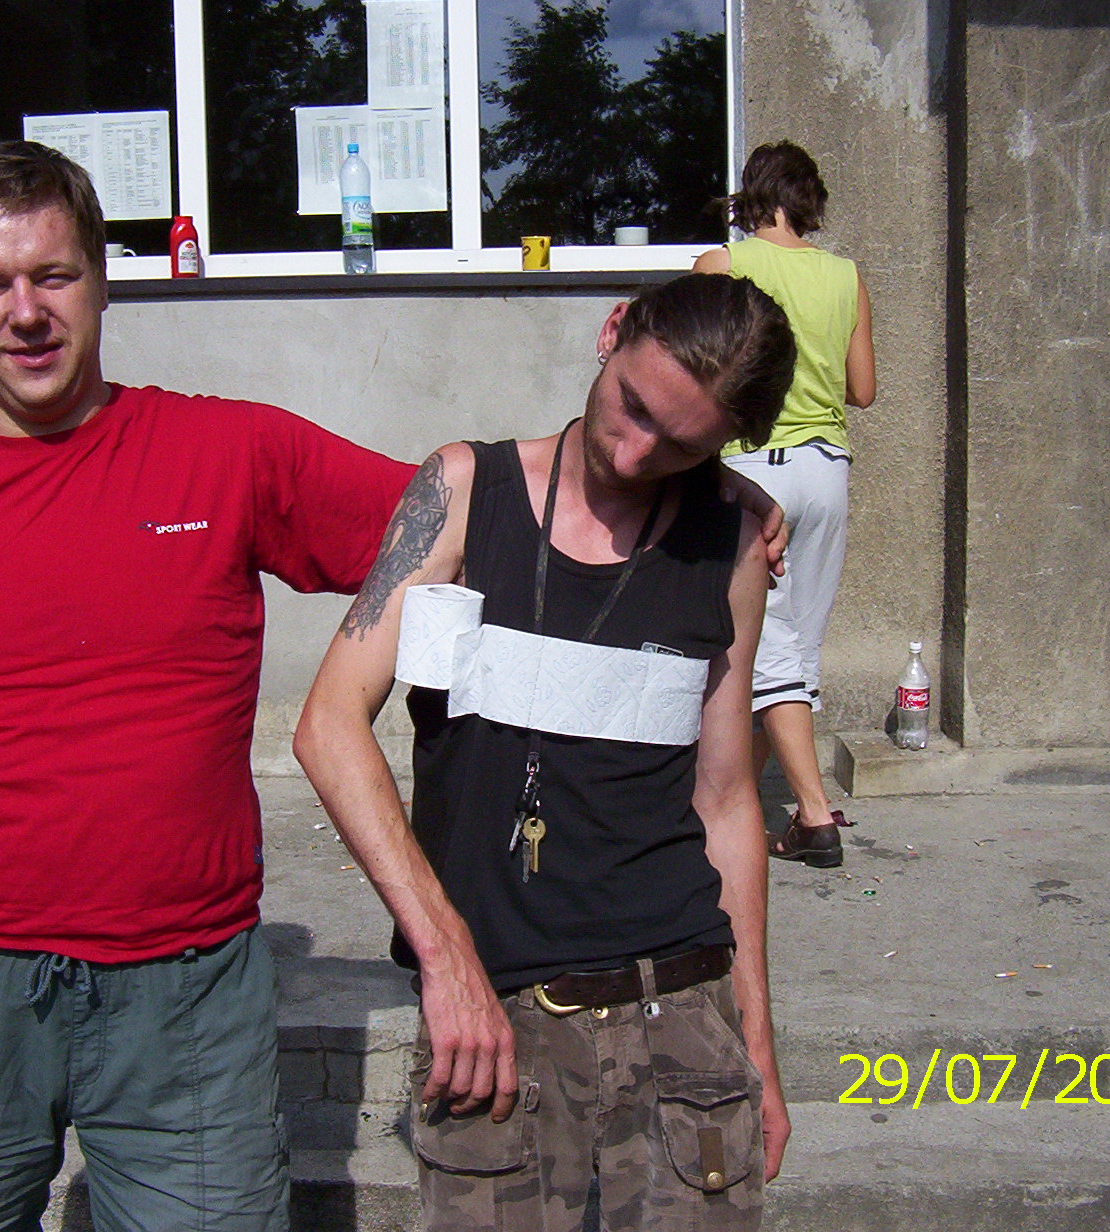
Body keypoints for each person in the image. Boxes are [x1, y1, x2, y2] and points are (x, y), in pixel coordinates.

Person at [0, 144, 788, 1231]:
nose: (27, 312)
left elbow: (492, 512)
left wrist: (706, 490)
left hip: (183, 994)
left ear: (102, 278)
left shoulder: (229, 452)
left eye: (55, 274)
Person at [293, 273, 797, 1231]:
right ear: (612, 332)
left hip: (680, 1014)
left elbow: (727, 799)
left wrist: (757, 1045)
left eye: (682, 444)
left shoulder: (730, 541)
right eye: (633, 406)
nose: (635, 452)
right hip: (495, 1020)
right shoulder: (462, 493)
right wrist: (446, 959)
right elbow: (328, 726)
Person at [694, 139, 876, 869]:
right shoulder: (846, 276)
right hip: (827, 472)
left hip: (752, 472)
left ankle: (813, 812)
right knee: (790, 653)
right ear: (809, 200)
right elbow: (863, 390)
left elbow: (695, 368)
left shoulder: (722, 266)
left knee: (769, 656)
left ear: (751, 195)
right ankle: (727, 806)